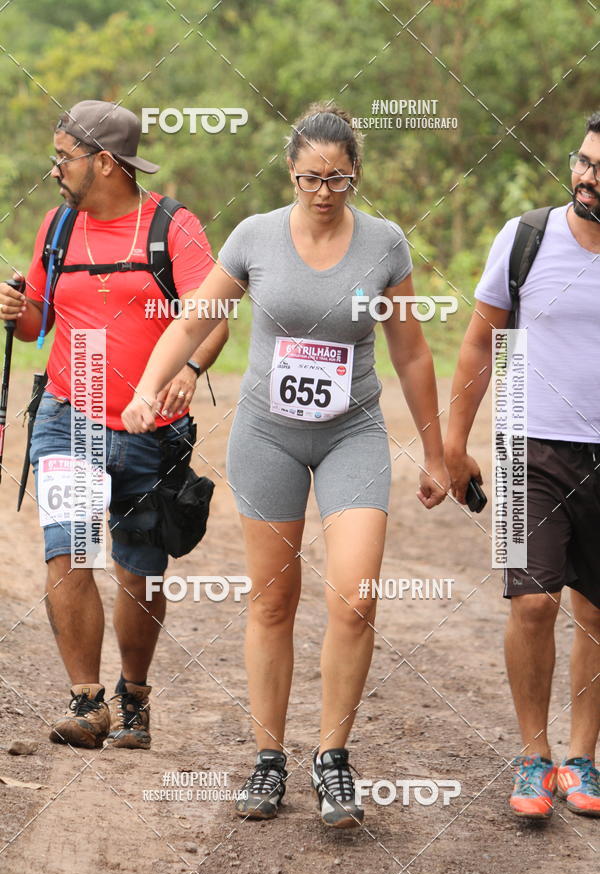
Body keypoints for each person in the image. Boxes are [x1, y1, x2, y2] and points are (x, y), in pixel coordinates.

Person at [122, 103, 448, 827]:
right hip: (268, 435)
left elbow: (413, 351)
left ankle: (332, 760)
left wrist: (436, 451)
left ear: (355, 174)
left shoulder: (386, 245)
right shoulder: (255, 237)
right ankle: (268, 761)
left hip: (351, 434)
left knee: (355, 596)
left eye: (336, 179)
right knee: (271, 601)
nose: (323, 191)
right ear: (291, 172)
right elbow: (192, 319)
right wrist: (148, 390)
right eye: (309, 178)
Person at [0, 100, 227, 751]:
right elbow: (35, 324)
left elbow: (213, 318)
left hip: (149, 430)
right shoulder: (58, 227)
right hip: (68, 416)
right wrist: (13, 308)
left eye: (62, 158)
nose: (54, 171)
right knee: (68, 550)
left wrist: (188, 371)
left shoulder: (172, 227)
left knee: (137, 569)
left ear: (104, 161)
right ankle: (87, 700)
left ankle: (134, 694)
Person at [446, 112, 600, 820]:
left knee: (595, 613)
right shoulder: (526, 239)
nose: (587, 178)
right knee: (532, 601)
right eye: (583, 161)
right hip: (526, 447)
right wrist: (454, 439)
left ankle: (581, 759)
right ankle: (534, 755)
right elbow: (481, 342)